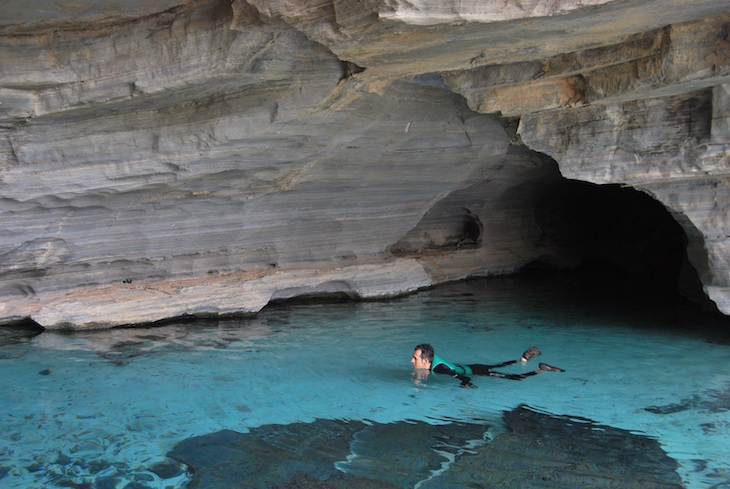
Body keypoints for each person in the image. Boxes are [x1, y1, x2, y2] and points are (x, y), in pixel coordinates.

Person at [411, 343, 564, 387]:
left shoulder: (438, 368)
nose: (412, 361)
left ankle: (540, 370)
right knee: (497, 365)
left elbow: (457, 375)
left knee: (514, 377)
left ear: (426, 361)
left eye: (415, 358)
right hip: (471, 366)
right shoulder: (432, 358)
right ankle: (522, 360)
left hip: (472, 372)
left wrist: (466, 384)